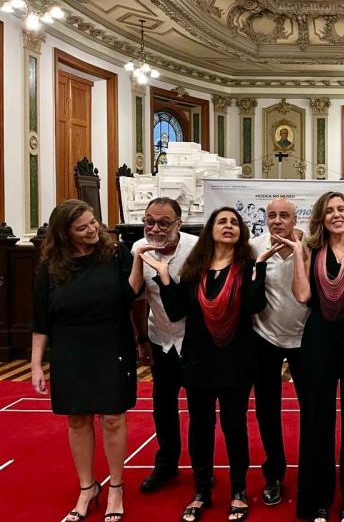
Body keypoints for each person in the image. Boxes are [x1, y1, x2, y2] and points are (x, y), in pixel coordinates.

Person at [142, 207, 270, 522]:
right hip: (199, 360)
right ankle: (201, 491)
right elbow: (175, 311)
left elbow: (255, 305)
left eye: (233, 222)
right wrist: (163, 276)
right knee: (200, 428)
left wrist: (260, 268)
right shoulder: (195, 268)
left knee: (234, 427)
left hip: (236, 361)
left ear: (241, 232)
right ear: (210, 230)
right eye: (221, 221)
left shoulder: (247, 266)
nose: (228, 226)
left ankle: (239, 491)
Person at [272, 191, 344, 522]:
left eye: (341, 209)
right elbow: (302, 295)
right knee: (316, 418)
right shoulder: (311, 248)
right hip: (319, 335)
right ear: (321, 218)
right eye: (330, 211)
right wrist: (298, 255)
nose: (337, 215)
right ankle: (316, 500)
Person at [31, 199, 143, 522]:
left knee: (113, 417)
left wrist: (138, 260)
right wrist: (36, 365)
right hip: (69, 349)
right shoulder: (51, 266)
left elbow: (131, 296)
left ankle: (116, 486)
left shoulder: (116, 254)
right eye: (82, 228)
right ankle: (87, 487)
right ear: (65, 234)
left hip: (112, 343)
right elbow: (41, 319)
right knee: (77, 419)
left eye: (93, 222)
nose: (92, 229)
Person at [132, 197, 198, 493]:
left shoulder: (197, 249)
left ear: (178, 224)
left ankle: (202, 468)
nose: (155, 228)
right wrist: (142, 340)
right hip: (160, 339)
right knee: (163, 407)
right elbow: (136, 298)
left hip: (194, 341)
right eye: (149, 222)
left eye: (163, 223)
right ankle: (167, 465)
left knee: (199, 410)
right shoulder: (138, 249)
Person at [249, 198, 310, 506]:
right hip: (265, 337)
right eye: (271, 215)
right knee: (267, 411)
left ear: (295, 219)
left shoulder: (310, 246)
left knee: (312, 409)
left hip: (304, 339)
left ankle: (311, 473)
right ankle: (273, 474)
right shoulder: (254, 247)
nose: (277, 220)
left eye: (284, 215)